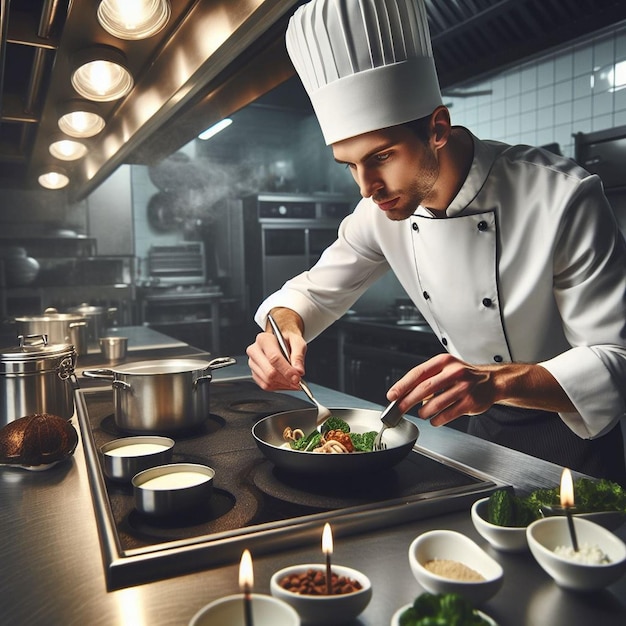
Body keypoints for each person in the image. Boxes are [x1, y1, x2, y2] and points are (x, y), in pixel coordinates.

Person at [246, 0, 626, 485]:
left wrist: (495, 381)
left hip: (576, 439)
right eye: (350, 165)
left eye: (381, 156)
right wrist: (282, 335)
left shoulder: (561, 197)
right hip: (478, 433)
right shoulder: (379, 212)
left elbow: (616, 360)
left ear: (437, 128)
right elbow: (310, 293)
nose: (366, 186)